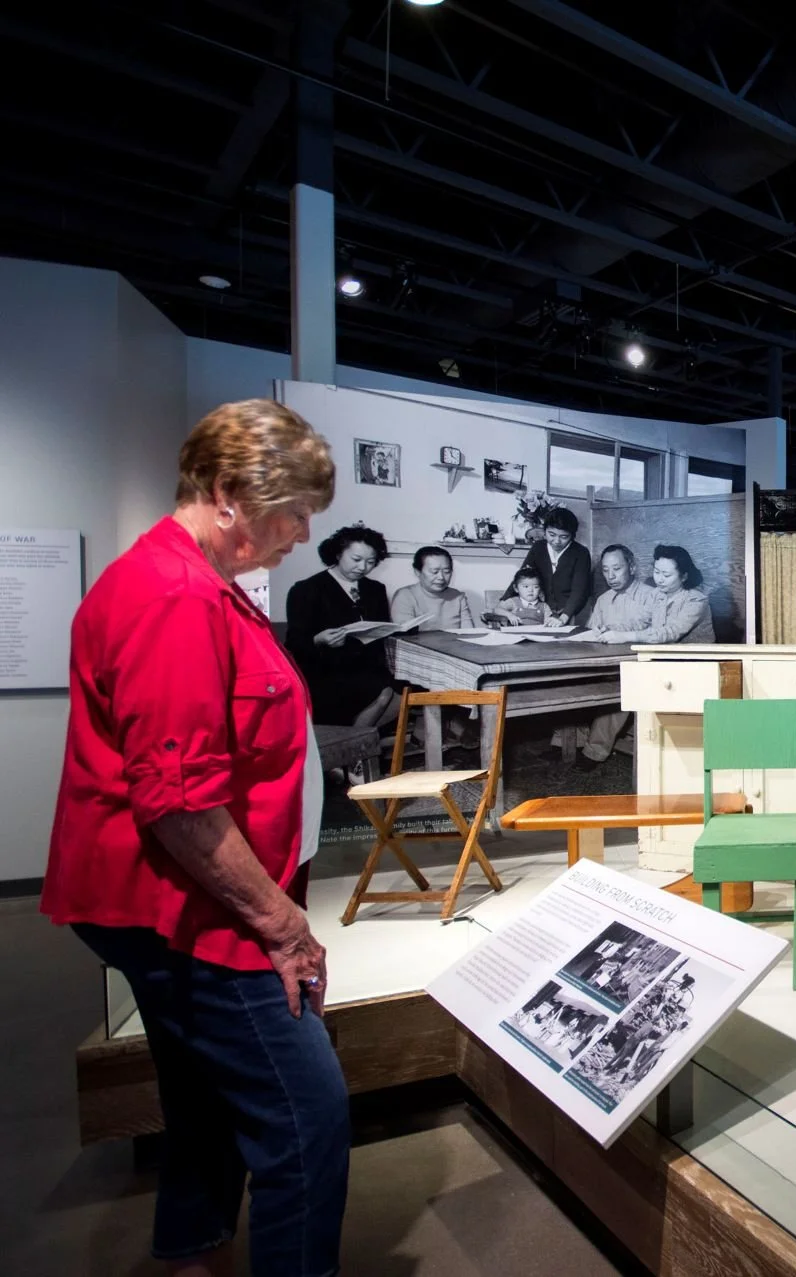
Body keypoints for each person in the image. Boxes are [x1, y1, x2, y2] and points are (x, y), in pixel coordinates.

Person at [41, 399, 349, 1277]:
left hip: (181, 899)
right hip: (190, 908)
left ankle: (191, 1253)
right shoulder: (176, 595)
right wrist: (283, 924)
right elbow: (178, 804)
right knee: (306, 1117)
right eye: (291, 512)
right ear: (226, 494)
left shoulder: (190, 580)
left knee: (205, 1099)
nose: (300, 532)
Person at [285, 524, 398, 728]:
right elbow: (294, 643)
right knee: (382, 690)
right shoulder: (307, 590)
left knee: (402, 686)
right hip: (325, 672)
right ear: (337, 554)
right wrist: (318, 640)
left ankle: (356, 747)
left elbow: (383, 627)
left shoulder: (375, 589)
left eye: (370, 562)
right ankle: (356, 747)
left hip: (367, 667)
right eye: (356, 560)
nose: (363, 567)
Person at [571, 545, 660, 768]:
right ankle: (569, 743)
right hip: (604, 663)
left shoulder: (652, 596)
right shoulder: (603, 599)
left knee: (621, 687)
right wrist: (596, 632)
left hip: (640, 665)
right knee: (570, 681)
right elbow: (591, 632)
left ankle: (595, 750)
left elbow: (659, 634)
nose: (611, 576)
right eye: (606, 570)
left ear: (631, 567)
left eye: (617, 569)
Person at [519, 506, 594, 624]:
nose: (556, 541)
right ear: (544, 531)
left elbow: (579, 590)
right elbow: (522, 577)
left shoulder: (581, 553)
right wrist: (502, 603)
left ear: (572, 536)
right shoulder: (538, 548)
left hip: (570, 612)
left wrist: (564, 617)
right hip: (541, 611)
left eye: (563, 537)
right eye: (551, 534)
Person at [633, 544, 716, 644]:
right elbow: (640, 622)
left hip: (696, 657)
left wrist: (628, 636)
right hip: (664, 654)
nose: (659, 580)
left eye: (666, 575)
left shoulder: (696, 600)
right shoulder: (656, 594)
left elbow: (671, 633)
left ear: (684, 577)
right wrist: (612, 630)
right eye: (656, 572)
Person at [390, 545, 475, 631]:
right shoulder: (405, 596)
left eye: (447, 572)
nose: (441, 577)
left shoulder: (458, 597)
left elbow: (469, 633)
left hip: (454, 644)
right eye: (434, 572)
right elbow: (406, 636)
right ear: (417, 572)